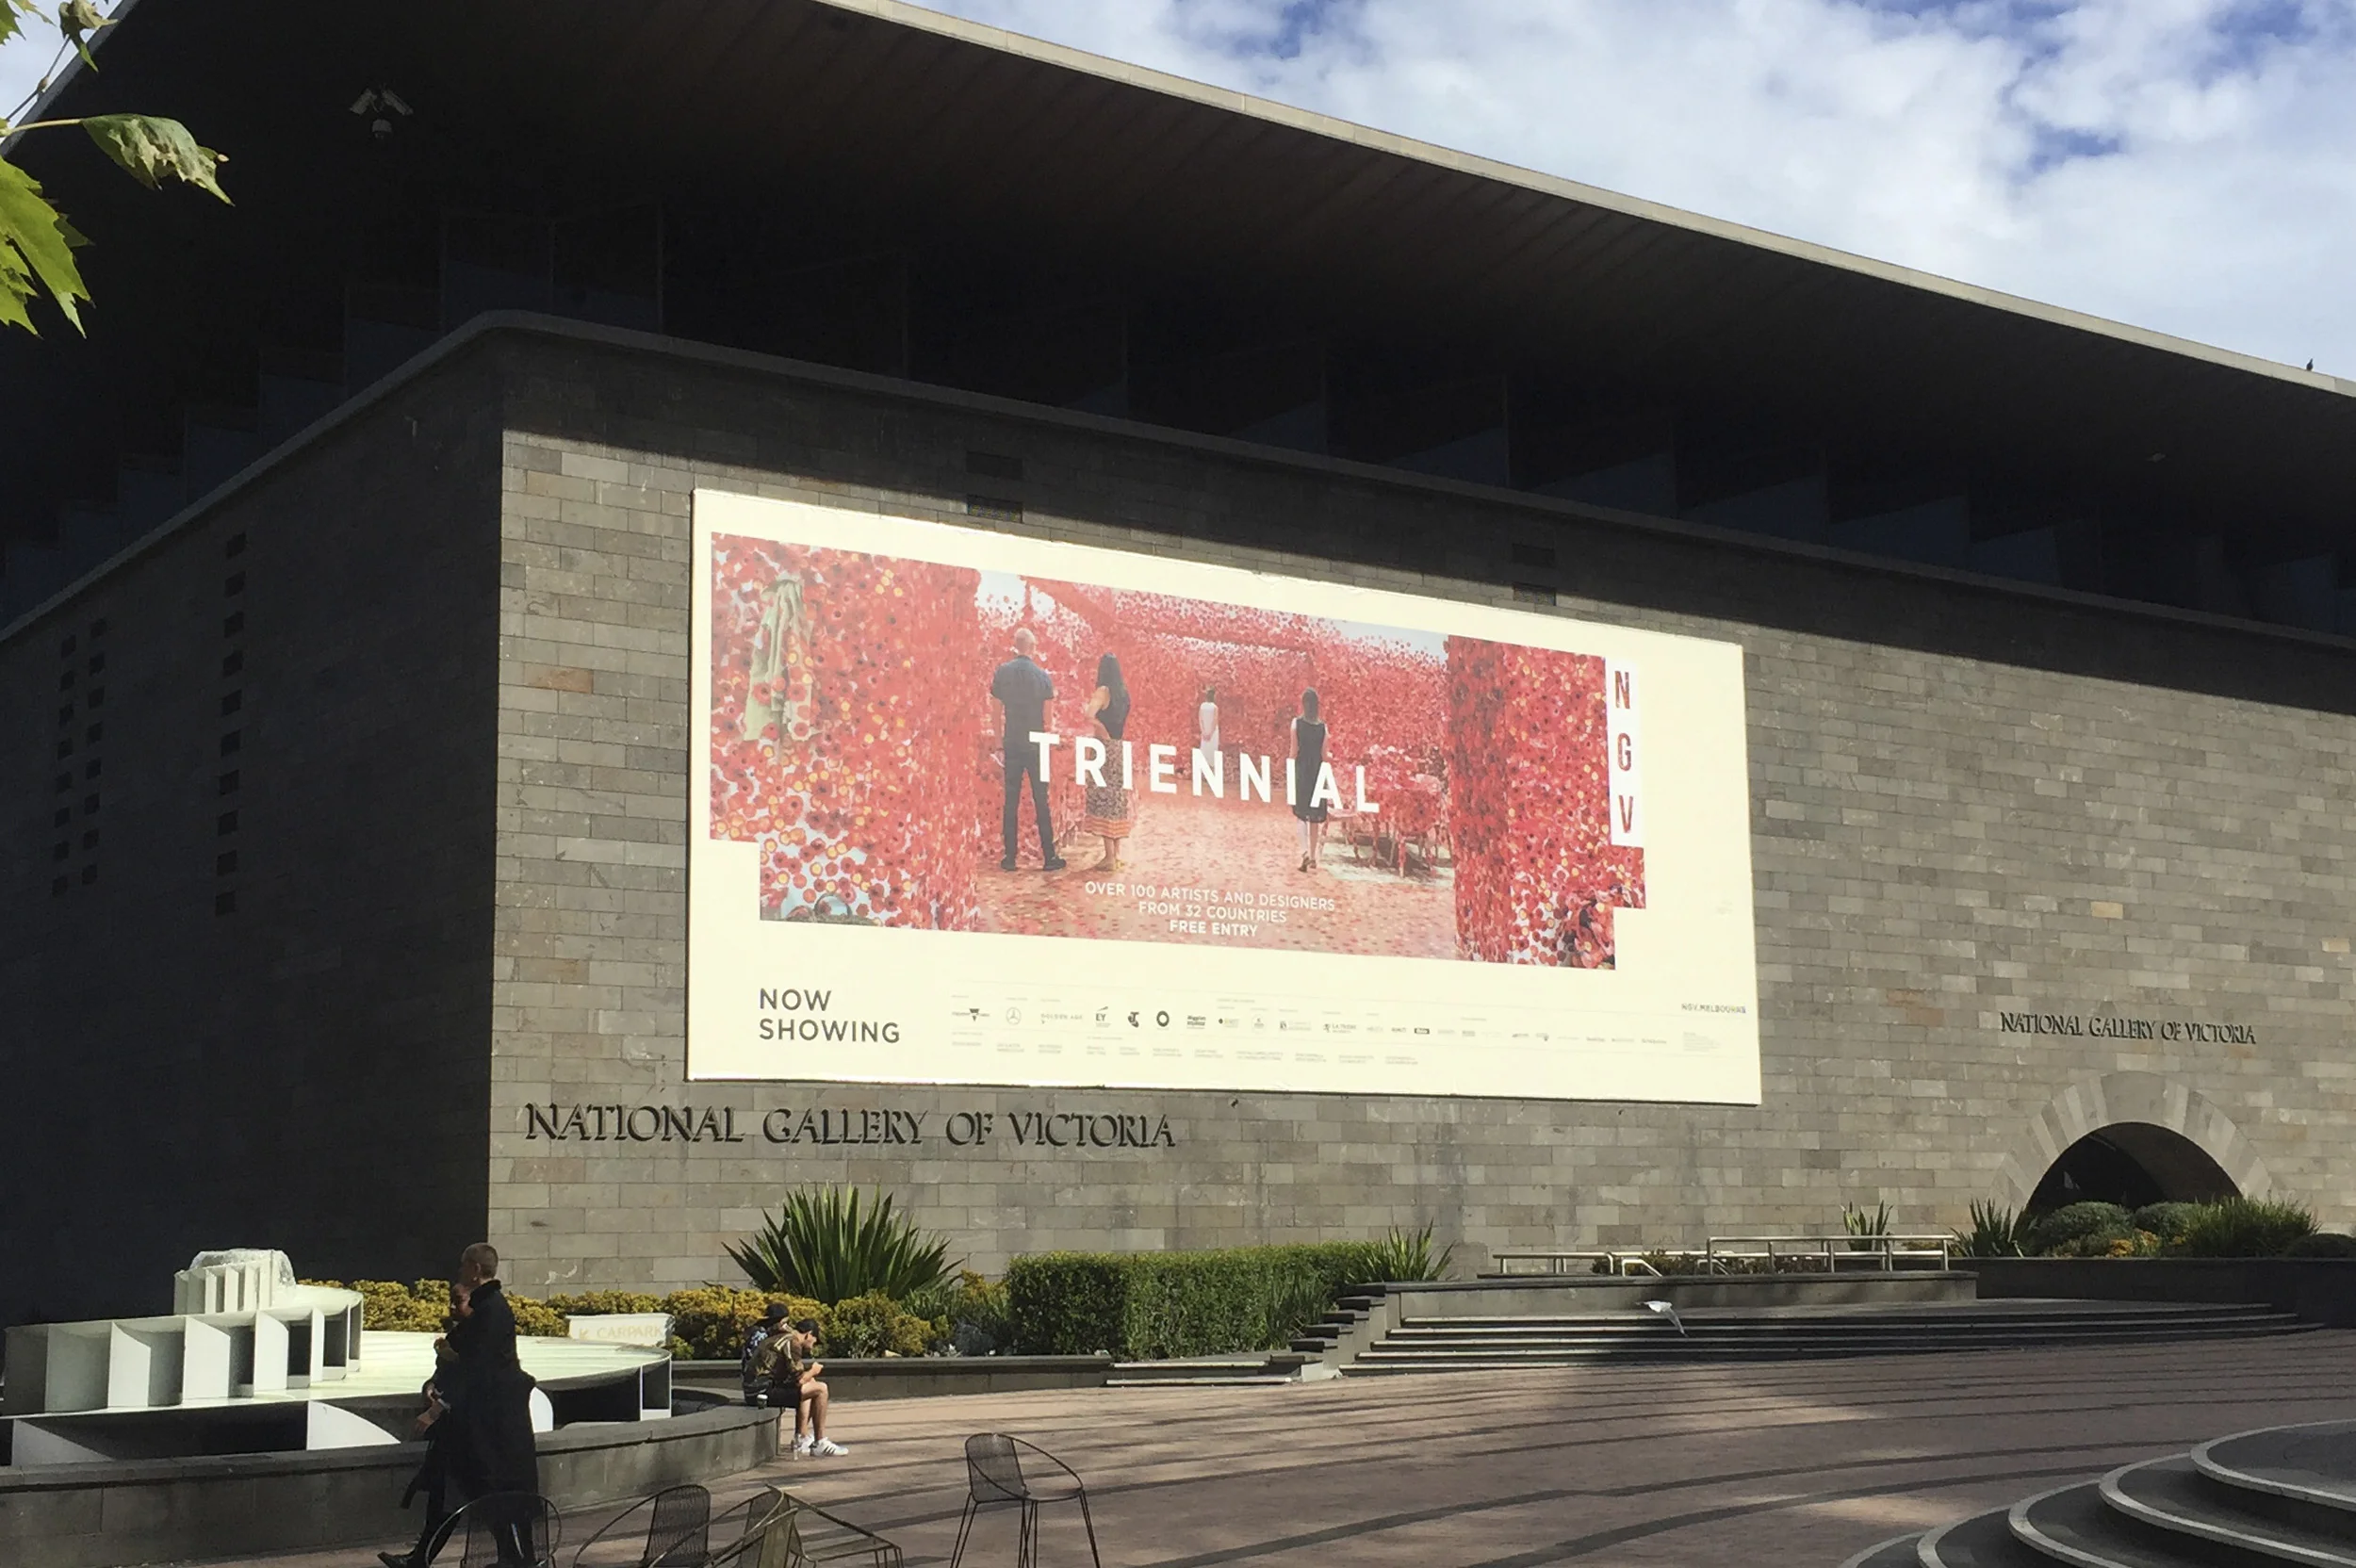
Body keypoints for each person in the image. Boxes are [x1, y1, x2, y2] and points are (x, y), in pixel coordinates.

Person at [382, 1245, 539, 1568]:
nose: (459, 1271)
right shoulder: (486, 1309)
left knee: (481, 1493)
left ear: (475, 1269)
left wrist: (435, 1409)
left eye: (463, 1266)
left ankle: (517, 1560)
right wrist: (436, 1383)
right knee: (453, 1492)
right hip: (475, 1428)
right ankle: (426, 1558)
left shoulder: (490, 1311)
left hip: (485, 1431)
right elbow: (468, 1364)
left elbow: (478, 1370)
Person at [990, 627, 1066, 873]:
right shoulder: (1043, 677)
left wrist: (999, 743)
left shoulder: (1002, 673)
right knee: (1041, 799)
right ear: (1033, 648)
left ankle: (1010, 857)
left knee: (1010, 800)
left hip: (1012, 741)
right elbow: (1048, 720)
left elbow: (995, 713)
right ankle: (1049, 856)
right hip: (1036, 744)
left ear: (1016, 646)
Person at [761, 1317, 846, 1458]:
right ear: (809, 1334)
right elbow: (800, 1380)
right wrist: (813, 1370)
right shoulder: (793, 1343)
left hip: (760, 1388)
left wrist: (809, 1376)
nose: (813, 1346)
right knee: (821, 1389)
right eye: (814, 1341)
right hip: (763, 1392)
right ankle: (819, 1442)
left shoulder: (786, 1338)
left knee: (810, 1383)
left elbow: (795, 1376)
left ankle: (802, 1437)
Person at [1080, 652, 1134, 870]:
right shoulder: (1124, 694)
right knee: (1117, 799)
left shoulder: (1103, 691)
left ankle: (1109, 856)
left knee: (1104, 798)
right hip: (1119, 748)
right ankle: (1116, 855)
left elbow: (1088, 714)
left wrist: (1100, 728)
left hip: (1103, 748)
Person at [1291, 687, 1330, 871]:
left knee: (1300, 814)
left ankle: (1304, 852)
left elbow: (1293, 751)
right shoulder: (1323, 727)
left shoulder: (1296, 724)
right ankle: (1314, 857)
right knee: (1314, 816)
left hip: (1302, 771)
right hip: (1318, 772)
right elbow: (1324, 755)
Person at [740, 1301, 790, 1407]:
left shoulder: (764, 1333)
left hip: (757, 1385)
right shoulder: (761, 1336)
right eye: (785, 1322)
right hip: (757, 1387)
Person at [1197, 684, 1220, 766]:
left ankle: (1203, 765)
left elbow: (1200, 719)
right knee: (1212, 750)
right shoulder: (1215, 707)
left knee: (1204, 749)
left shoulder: (1202, 706)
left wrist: (1203, 731)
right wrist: (1210, 733)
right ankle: (1211, 765)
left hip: (1205, 730)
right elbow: (1215, 721)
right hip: (1212, 732)